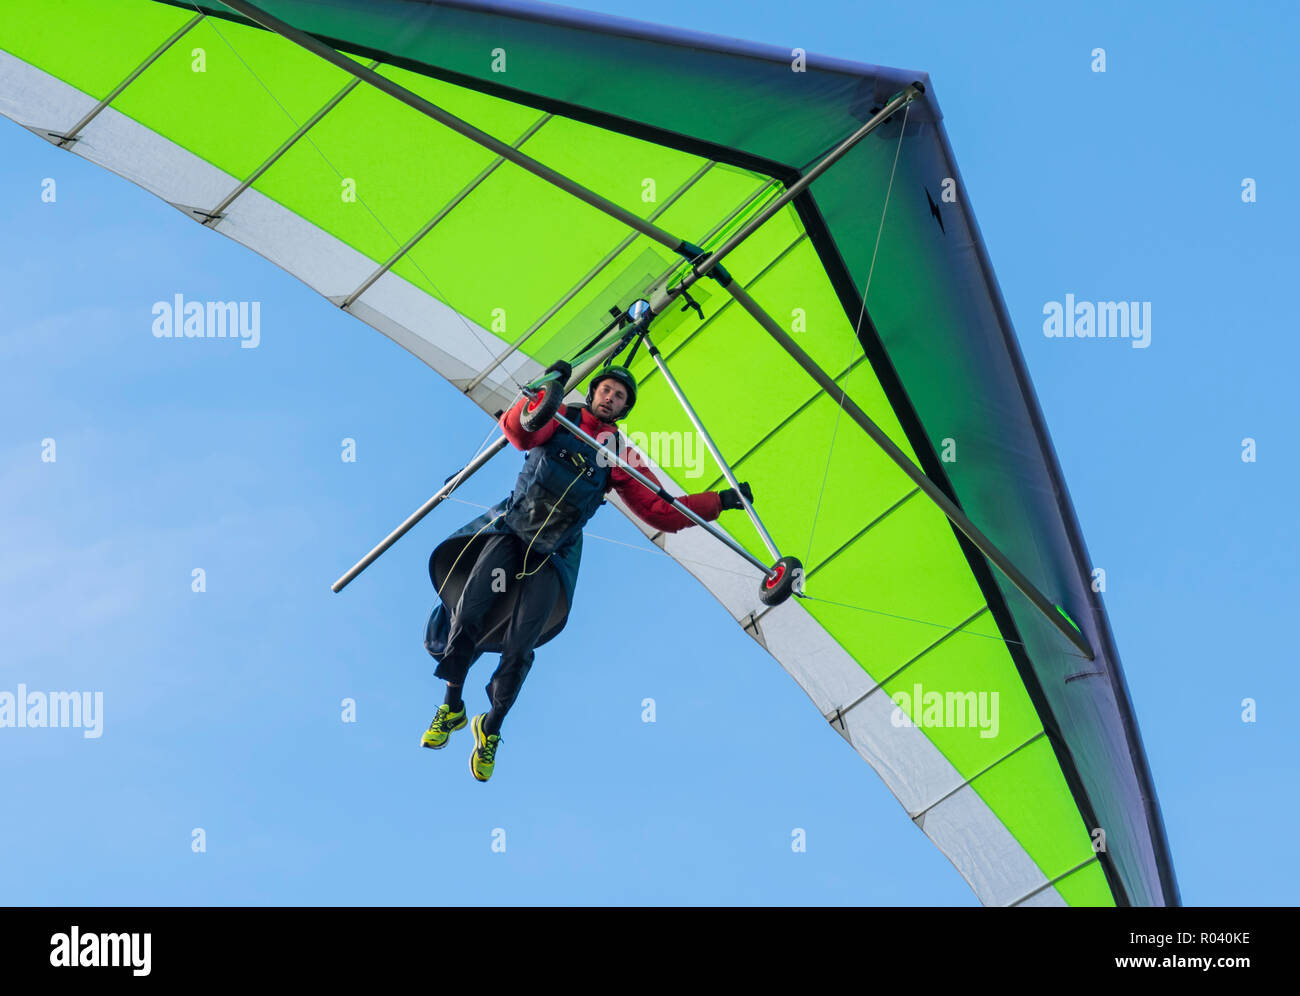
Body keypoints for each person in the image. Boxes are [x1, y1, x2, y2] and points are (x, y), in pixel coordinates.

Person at [420, 363, 754, 781]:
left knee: (521, 646)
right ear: (594, 391)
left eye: (619, 396)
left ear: (624, 408)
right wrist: (546, 388)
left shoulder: (618, 454)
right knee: (469, 611)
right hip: (513, 532)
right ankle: (451, 706)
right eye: (606, 390)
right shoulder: (561, 415)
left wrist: (719, 501)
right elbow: (518, 431)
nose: (610, 398)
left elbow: (660, 511)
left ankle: (490, 729)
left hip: (552, 553)